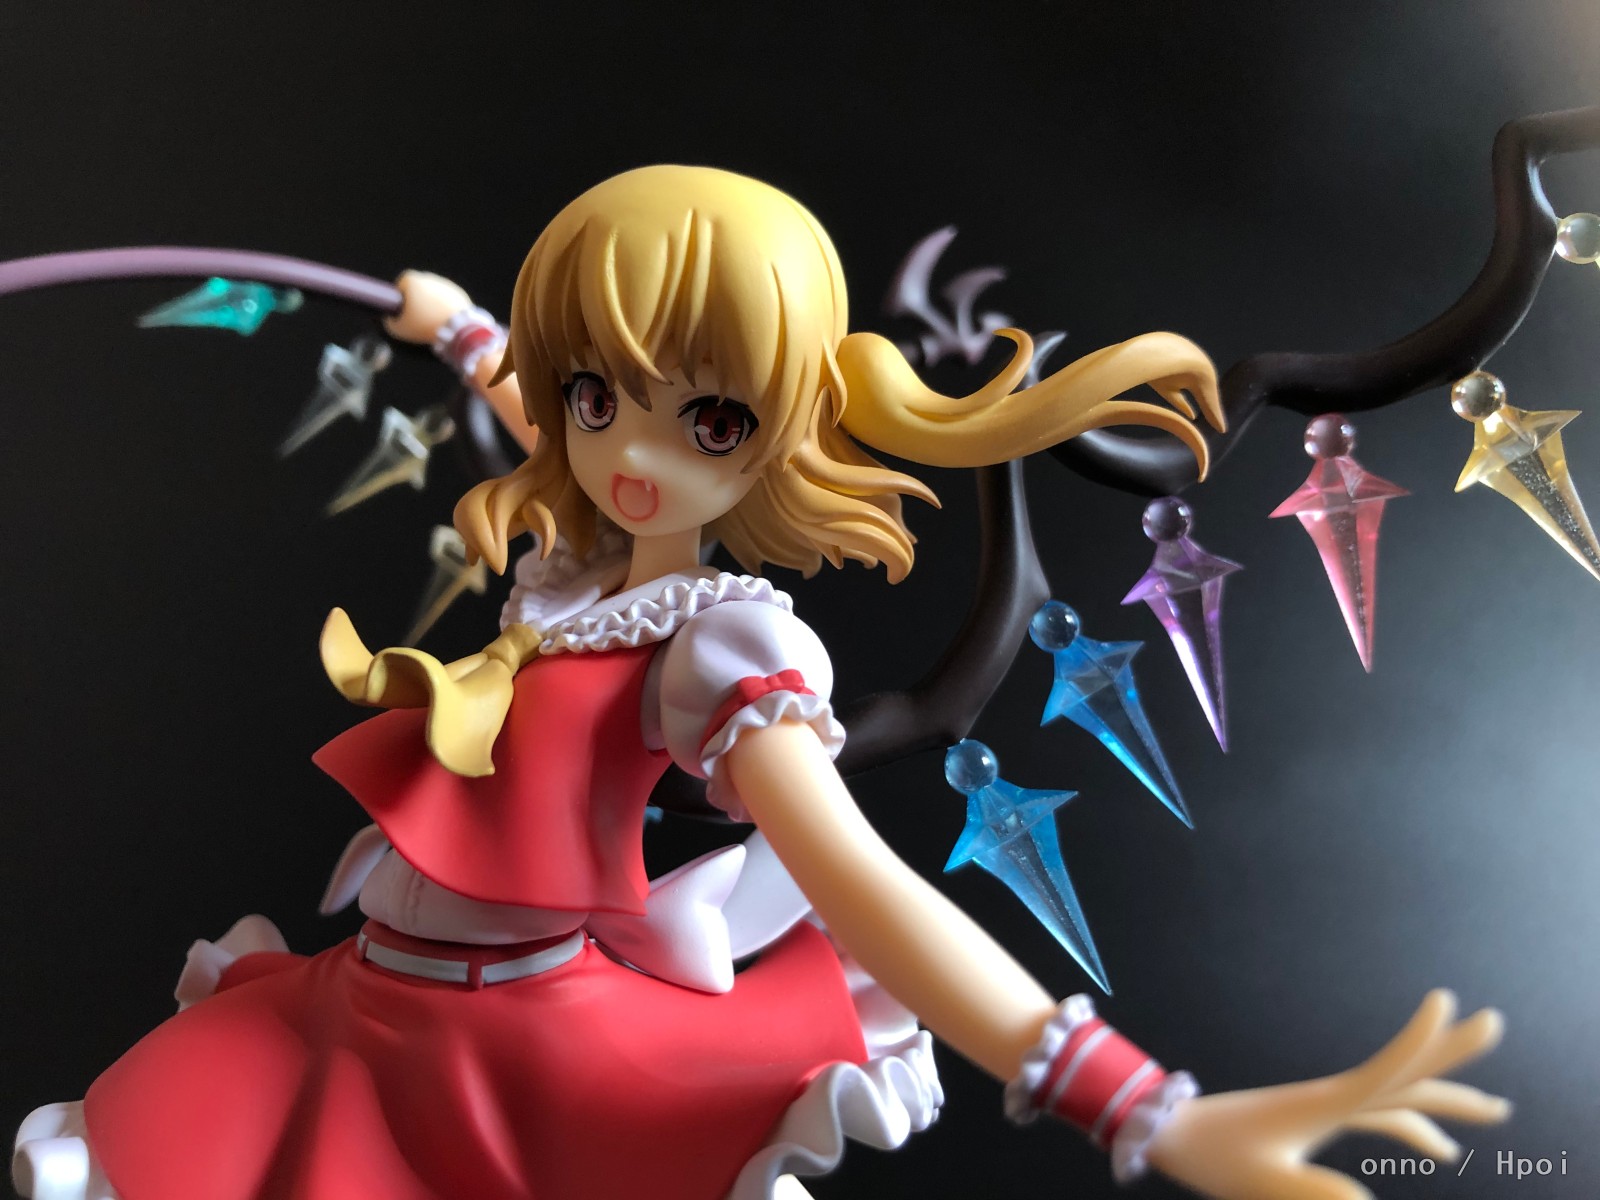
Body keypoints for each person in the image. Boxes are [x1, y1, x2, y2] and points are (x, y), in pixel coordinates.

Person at [13, 165, 1507, 1200]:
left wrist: (1146, 1108)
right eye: (598, 392)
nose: (630, 452)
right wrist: (458, 324)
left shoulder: (719, 647)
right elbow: (534, 406)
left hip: (505, 1059)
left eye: (711, 420)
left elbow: (870, 889)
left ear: (780, 429)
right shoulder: (579, 557)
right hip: (359, 1012)